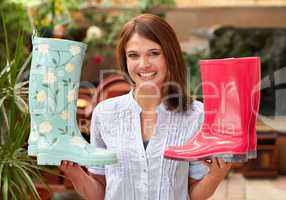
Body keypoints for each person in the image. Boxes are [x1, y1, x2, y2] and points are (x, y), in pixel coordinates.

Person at [59, 13, 231, 200]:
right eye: (133, 55)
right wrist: (74, 172)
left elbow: (192, 193)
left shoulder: (196, 115)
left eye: (154, 53)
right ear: (125, 60)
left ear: (170, 55)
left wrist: (216, 175)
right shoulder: (104, 113)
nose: (144, 64)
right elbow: (100, 191)